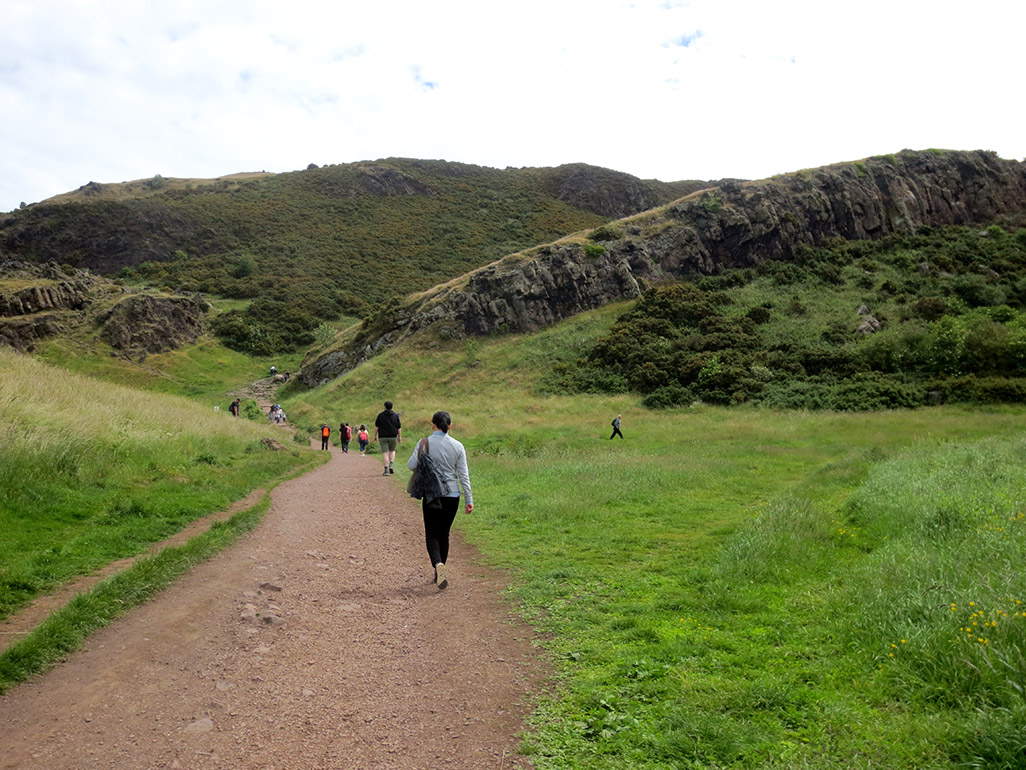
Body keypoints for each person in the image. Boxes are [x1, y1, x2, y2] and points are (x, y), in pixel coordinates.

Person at [407, 410, 473, 590]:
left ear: (433, 424)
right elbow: (464, 475)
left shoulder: (424, 443)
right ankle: (440, 569)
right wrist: (469, 499)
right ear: (449, 426)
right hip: (452, 496)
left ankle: (437, 564)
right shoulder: (458, 446)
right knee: (444, 533)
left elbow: (411, 465)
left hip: (431, 495)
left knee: (431, 533)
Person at [374, 400, 402, 476]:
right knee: (392, 451)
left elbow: (377, 427)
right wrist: (399, 437)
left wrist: (375, 436)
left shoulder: (380, 415)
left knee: (385, 453)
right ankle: (391, 465)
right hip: (393, 436)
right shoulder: (396, 416)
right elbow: (399, 427)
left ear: (385, 407)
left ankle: (386, 469)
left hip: (383, 436)